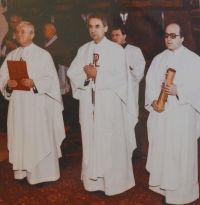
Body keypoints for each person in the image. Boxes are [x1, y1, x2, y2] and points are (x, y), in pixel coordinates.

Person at [67, 13, 138, 195]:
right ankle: (94, 183)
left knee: (110, 142)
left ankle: (114, 183)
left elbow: (122, 79)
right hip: (89, 105)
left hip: (109, 105)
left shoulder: (116, 51)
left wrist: (98, 75)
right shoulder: (83, 50)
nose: (93, 30)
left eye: (97, 26)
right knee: (91, 140)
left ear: (105, 28)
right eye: (91, 26)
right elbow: (73, 73)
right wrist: (86, 76)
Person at [0, 21, 66, 186]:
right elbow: (3, 77)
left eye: (23, 32)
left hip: (36, 103)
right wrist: (8, 84)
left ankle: (40, 175)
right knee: (21, 135)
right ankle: (22, 172)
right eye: (18, 32)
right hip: (18, 104)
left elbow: (51, 80)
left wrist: (34, 83)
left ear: (32, 34)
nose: (19, 35)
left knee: (37, 137)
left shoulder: (43, 55)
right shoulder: (12, 55)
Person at [145, 22, 200, 204]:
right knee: (165, 154)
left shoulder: (194, 60)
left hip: (183, 117)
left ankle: (183, 195)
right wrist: (154, 101)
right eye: (167, 35)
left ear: (182, 38)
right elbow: (151, 84)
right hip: (163, 117)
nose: (169, 39)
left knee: (181, 155)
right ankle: (167, 193)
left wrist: (179, 91)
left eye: (173, 35)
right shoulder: (159, 59)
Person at [111, 27, 146, 159]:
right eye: (112, 35)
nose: (114, 38)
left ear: (124, 36)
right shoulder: (109, 51)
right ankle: (119, 154)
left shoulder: (134, 51)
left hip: (130, 91)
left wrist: (127, 69)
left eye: (117, 35)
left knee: (131, 119)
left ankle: (135, 154)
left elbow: (138, 72)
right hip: (114, 93)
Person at [42, 23, 71, 95]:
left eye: (46, 30)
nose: (44, 31)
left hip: (60, 71)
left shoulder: (59, 44)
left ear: (53, 30)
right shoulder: (45, 42)